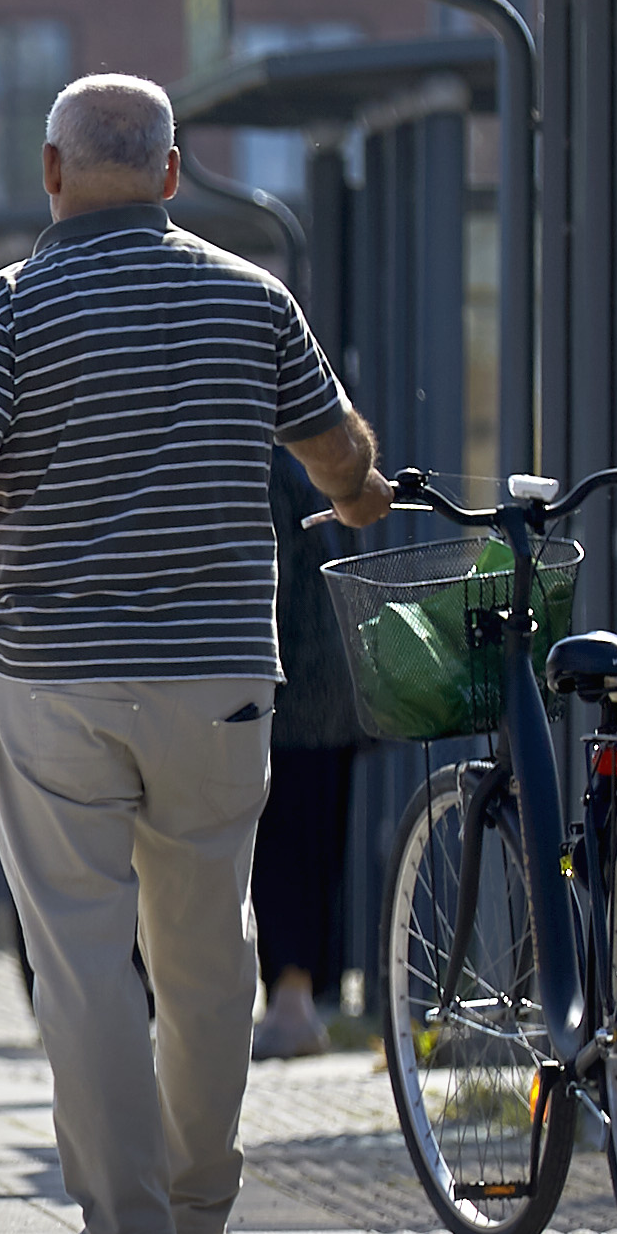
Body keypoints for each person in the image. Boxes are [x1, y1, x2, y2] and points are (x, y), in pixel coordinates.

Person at [0, 77, 393, 1234]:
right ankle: (196, 1213)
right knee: (207, 948)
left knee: (80, 950)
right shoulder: (252, 298)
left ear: (52, 170)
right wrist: (361, 504)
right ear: (174, 175)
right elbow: (337, 450)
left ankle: (123, 1226)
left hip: (52, 675)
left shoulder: (11, 309)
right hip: (221, 677)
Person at [253, 446, 365, 1059]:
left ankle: (292, 1009)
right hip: (323, 693)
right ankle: (295, 1005)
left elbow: (272, 587)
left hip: (290, 698)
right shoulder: (294, 460)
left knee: (282, 853)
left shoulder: (259, 464)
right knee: (314, 851)